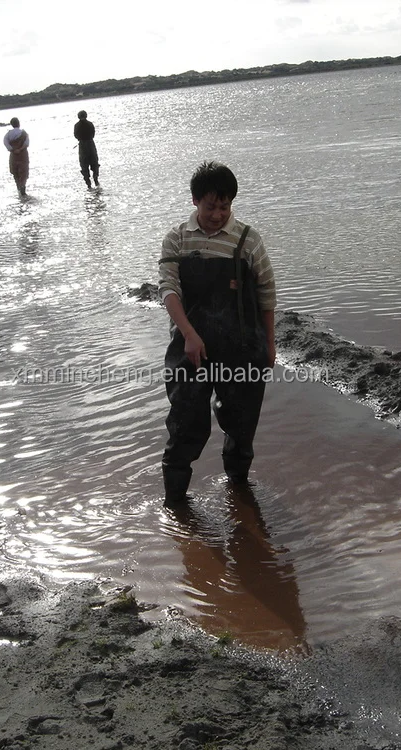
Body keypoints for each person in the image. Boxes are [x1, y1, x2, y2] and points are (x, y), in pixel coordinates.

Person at [157, 161, 277, 505]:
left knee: (241, 426)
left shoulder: (248, 240)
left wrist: (269, 344)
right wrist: (190, 335)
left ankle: (240, 495)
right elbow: (168, 290)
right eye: (211, 206)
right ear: (195, 201)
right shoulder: (177, 239)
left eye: (225, 207)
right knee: (185, 425)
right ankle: (176, 503)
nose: (217, 214)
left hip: (242, 348)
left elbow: (267, 292)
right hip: (189, 349)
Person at [3, 117, 30, 198]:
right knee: (24, 172)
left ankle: (18, 187)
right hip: (23, 155)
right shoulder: (24, 133)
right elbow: (26, 143)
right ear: (19, 123)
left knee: (15, 173)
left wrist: (13, 150)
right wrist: (20, 149)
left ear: (11, 124)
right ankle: (23, 188)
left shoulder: (8, 134)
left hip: (13, 155)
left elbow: (6, 143)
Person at [73, 110, 100, 188]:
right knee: (94, 163)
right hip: (90, 144)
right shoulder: (90, 124)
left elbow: (76, 135)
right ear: (86, 116)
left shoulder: (77, 125)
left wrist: (81, 139)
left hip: (82, 145)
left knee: (84, 165)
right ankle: (96, 179)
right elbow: (93, 134)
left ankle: (88, 184)